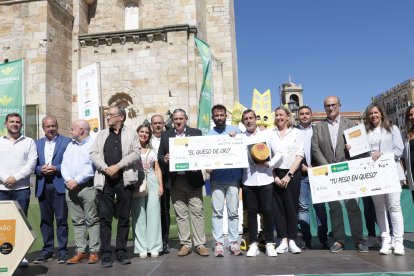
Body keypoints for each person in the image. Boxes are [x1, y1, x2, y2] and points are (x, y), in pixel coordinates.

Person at [311, 96, 368, 253]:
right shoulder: (318, 127)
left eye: (333, 105)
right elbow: (315, 149)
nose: (330, 108)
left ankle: (359, 240)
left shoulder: (350, 124)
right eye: (327, 106)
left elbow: (360, 149)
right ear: (325, 108)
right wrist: (328, 167)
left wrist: (353, 149)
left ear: (339, 105)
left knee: (353, 207)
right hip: (329, 174)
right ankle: (339, 240)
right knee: (334, 208)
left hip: (349, 172)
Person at [90, 106, 140, 267]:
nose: (107, 117)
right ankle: (106, 253)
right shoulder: (102, 134)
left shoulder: (131, 133)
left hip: (124, 180)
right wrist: (106, 168)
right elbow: (93, 154)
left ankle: (121, 251)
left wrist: (118, 166)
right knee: (105, 218)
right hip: (105, 180)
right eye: (107, 114)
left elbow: (136, 152)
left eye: (111, 114)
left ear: (121, 117)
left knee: (124, 217)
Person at [157, 108, 209, 257]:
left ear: (186, 119)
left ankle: (200, 244)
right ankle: (185, 244)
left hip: (193, 180)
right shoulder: (166, 135)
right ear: (172, 121)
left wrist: (198, 164)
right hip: (175, 181)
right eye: (175, 119)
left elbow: (202, 152)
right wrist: (164, 158)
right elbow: (160, 155)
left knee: (197, 212)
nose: (178, 121)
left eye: (181, 118)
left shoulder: (196, 133)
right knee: (181, 214)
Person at [240, 109, 283, 257]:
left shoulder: (267, 134)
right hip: (248, 181)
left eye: (251, 118)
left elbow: (279, 153)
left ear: (255, 119)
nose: (249, 121)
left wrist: (269, 164)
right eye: (245, 119)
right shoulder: (240, 138)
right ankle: (253, 244)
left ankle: (270, 242)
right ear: (243, 122)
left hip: (266, 179)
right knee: (251, 213)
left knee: (268, 212)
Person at [364, 103, 405, 255]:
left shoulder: (392, 129)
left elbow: (398, 150)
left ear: (381, 114)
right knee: (379, 208)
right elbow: (361, 153)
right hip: (373, 175)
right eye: (370, 113)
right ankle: (385, 240)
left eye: (376, 112)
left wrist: (382, 155)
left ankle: (398, 241)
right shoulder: (365, 133)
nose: (373, 115)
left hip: (391, 172)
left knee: (394, 206)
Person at [0, 113, 37, 267]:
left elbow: (32, 163)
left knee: (21, 222)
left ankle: (20, 255)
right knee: (2, 224)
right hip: (1, 188)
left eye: (17, 122)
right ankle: (3, 256)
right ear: (5, 124)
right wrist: (4, 178)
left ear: (21, 125)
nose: (14, 124)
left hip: (21, 188)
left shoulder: (29, 142)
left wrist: (15, 177)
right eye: (11, 122)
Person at [207, 104, 243, 257]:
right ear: (213, 117)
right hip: (216, 179)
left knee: (233, 212)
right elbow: (205, 156)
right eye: (217, 115)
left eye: (222, 115)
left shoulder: (236, 131)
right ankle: (219, 243)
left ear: (226, 116)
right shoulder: (208, 135)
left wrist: (238, 138)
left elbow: (243, 149)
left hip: (233, 178)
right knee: (217, 212)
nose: (219, 117)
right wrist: (207, 167)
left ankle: (234, 242)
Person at [61, 120, 100, 264]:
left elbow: (92, 167)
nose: (70, 131)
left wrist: (77, 180)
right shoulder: (70, 145)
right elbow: (64, 164)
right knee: (77, 221)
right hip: (70, 188)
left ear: (82, 130)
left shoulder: (93, 144)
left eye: (72, 129)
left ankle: (95, 251)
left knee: (92, 219)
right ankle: (80, 251)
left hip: (87, 187)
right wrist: (68, 180)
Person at [34, 116, 71, 264]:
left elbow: (70, 162)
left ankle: (62, 251)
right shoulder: (36, 144)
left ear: (57, 126)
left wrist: (56, 168)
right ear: (43, 128)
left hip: (59, 184)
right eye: (48, 126)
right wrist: (39, 169)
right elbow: (33, 165)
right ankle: (47, 251)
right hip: (43, 185)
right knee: (45, 220)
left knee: (61, 219)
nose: (51, 129)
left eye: (53, 126)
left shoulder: (66, 142)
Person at [271, 106, 304, 254]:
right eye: (277, 115)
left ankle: (292, 240)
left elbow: (299, 155)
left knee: (291, 208)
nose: (279, 117)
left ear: (288, 116)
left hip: (292, 174)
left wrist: (288, 175)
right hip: (274, 174)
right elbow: (266, 156)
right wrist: (275, 176)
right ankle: (283, 240)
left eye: (282, 115)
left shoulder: (296, 132)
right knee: (278, 209)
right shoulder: (270, 134)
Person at [296, 106, 329, 250]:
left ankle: (323, 239)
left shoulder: (318, 129)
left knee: (320, 207)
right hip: (301, 174)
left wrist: (316, 166)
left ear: (311, 115)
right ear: (298, 116)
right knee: (303, 208)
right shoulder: (293, 132)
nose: (304, 116)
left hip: (318, 173)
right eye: (301, 114)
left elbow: (324, 149)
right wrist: (301, 166)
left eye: (307, 113)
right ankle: (306, 240)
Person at [131, 124, 163, 258]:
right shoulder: (131, 150)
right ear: (137, 133)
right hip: (137, 180)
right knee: (139, 214)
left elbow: (157, 169)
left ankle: (154, 246)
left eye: (147, 133)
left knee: (154, 213)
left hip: (152, 180)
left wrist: (160, 185)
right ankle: (141, 247)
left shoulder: (153, 150)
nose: (144, 134)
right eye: (141, 132)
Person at [150, 114, 170, 254]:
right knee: (151, 211)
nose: (157, 125)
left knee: (164, 210)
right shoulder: (146, 139)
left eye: (160, 123)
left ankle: (164, 239)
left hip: (167, 178)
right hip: (150, 179)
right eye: (155, 123)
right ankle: (151, 240)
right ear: (151, 125)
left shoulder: (168, 137)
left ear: (163, 124)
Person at [403, 104, 414, 203]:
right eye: (410, 115)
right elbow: (403, 157)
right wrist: (404, 175)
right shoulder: (406, 135)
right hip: (413, 176)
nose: (413, 117)